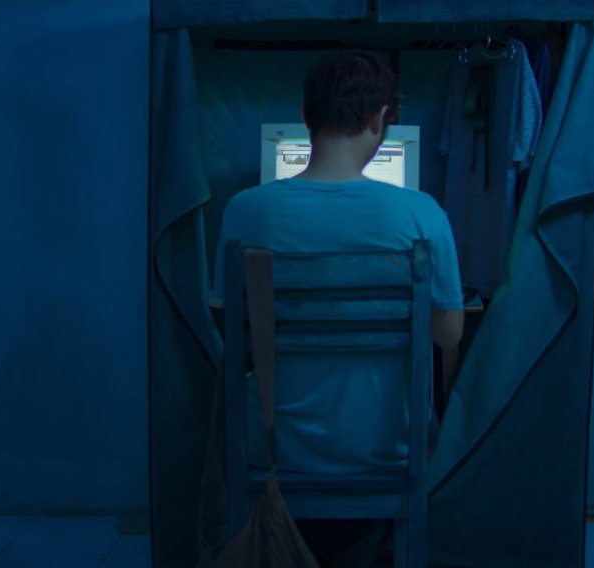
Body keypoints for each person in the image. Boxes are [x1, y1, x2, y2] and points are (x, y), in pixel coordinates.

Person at [209, 49, 465, 567]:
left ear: (307, 115)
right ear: (379, 118)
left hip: (274, 447)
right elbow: (448, 336)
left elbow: (228, 325)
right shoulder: (422, 214)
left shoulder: (245, 210)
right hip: (386, 447)